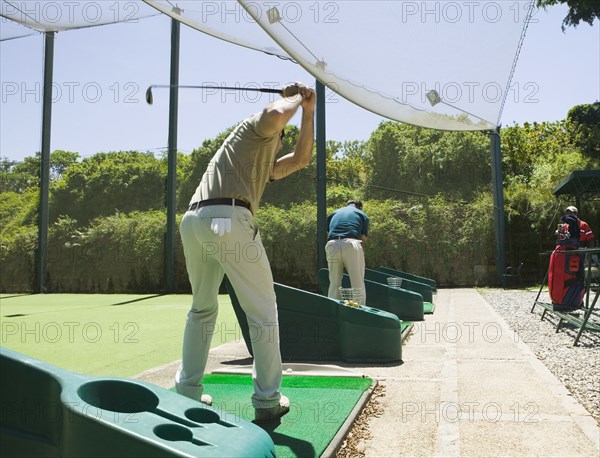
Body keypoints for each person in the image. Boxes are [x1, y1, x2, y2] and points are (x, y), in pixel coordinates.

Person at [176, 82, 315, 423]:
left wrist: (309, 112)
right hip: (227, 219)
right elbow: (273, 114)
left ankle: (187, 391)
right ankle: (267, 399)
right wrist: (296, 98)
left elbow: (301, 159)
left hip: (194, 220)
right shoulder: (255, 128)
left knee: (202, 308)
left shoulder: (261, 160)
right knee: (264, 312)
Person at [325, 200, 369, 305]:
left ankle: (333, 309)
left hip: (332, 244)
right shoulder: (361, 214)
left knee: (334, 282)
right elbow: (362, 239)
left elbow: (329, 233)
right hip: (351, 243)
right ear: (360, 207)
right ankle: (360, 312)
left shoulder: (334, 213)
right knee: (357, 283)